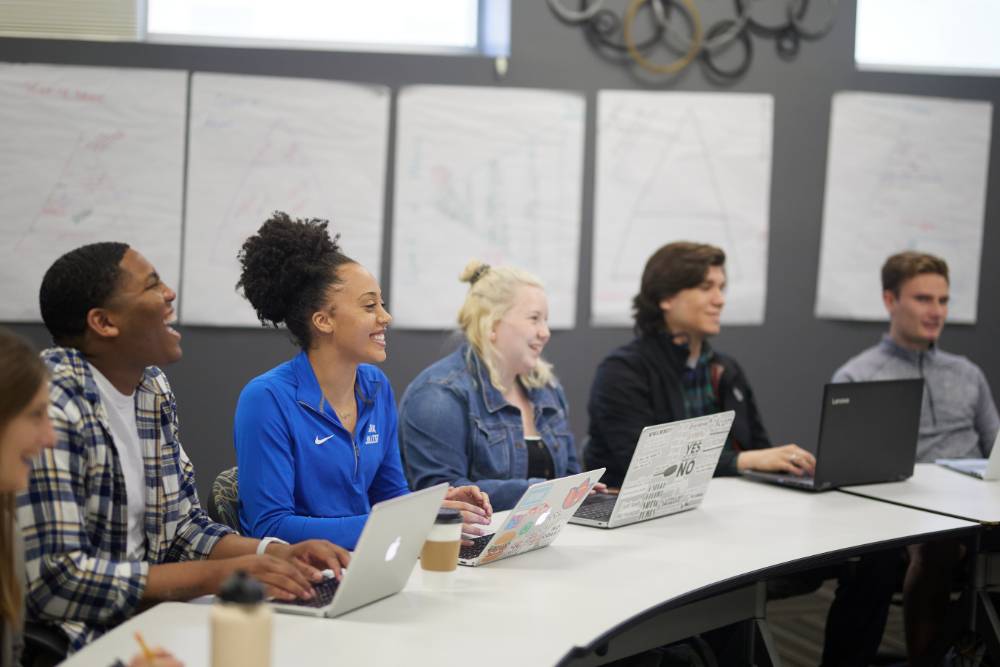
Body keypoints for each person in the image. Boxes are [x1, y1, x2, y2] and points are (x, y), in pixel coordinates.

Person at [18, 243, 350, 655]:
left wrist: (276, 553)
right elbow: (59, 582)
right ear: (104, 322)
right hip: (81, 642)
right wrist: (220, 576)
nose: (170, 294)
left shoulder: (150, 388)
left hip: (157, 621)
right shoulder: (52, 406)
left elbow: (183, 529)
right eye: (153, 286)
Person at [234, 213, 492, 550]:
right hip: (305, 578)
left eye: (381, 303)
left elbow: (389, 495)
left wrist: (436, 506)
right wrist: (409, 520)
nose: (385, 317)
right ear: (323, 320)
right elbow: (269, 527)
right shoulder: (266, 398)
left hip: (371, 564)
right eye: (370, 305)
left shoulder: (375, 386)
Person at [831, 251, 999, 666]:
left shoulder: (967, 373)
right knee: (936, 547)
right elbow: (847, 470)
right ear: (890, 300)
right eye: (924, 299)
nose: (936, 311)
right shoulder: (858, 377)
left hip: (977, 506)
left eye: (943, 301)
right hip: (906, 515)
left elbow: (995, 447)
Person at [585, 241, 815, 487]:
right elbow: (646, 466)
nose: (720, 300)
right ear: (666, 298)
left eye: (721, 288)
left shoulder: (726, 370)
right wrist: (742, 461)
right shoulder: (623, 371)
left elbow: (760, 451)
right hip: (645, 518)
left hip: (730, 508)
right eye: (706, 287)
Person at [399, 261, 587, 511]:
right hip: (471, 543)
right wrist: (543, 492)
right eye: (534, 319)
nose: (545, 333)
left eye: (546, 320)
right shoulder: (438, 395)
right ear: (492, 324)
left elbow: (571, 474)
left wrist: (580, 489)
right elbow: (444, 494)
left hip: (547, 535)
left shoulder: (548, 391)